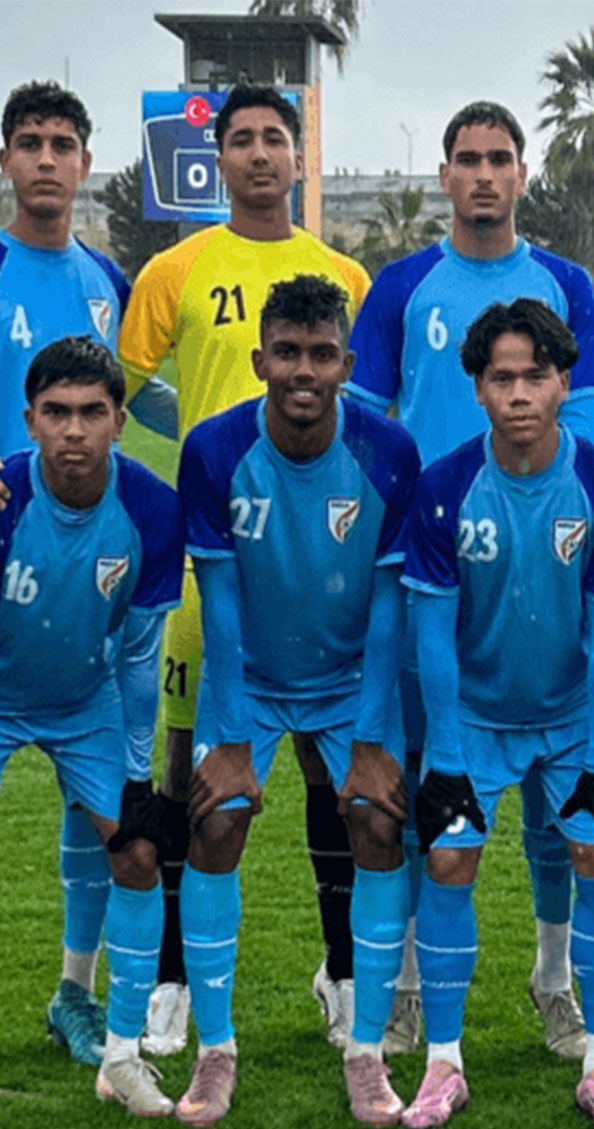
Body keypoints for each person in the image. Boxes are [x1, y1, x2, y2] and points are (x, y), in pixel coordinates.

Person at [118, 83, 372, 1057]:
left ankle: (342, 968)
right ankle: (174, 975)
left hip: (319, 567)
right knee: (190, 770)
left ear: (299, 159)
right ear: (214, 161)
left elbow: (363, 403)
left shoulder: (342, 275)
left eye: (277, 139)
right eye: (243, 141)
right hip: (208, 566)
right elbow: (117, 390)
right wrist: (183, 448)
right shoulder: (174, 271)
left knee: (330, 768)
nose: (261, 155)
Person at [0, 80, 151, 1081]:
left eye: (64, 144)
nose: (47, 159)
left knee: (97, 804)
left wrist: (246, 419)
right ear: (6, 161)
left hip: (93, 570)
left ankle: (75, 994)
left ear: (85, 164)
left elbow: (152, 399)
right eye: (30, 143)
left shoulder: (106, 279)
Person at [347, 100, 594, 1059]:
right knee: (432, 786)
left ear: (522, 173)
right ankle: (409, 983)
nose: (485, 175)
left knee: (558, 808)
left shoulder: (566, 282)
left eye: (501, 158)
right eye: (468, 159)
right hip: (436, 566)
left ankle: (554, 980)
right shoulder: (404, 285)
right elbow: (368, 424)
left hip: (550, 563)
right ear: (445, 177)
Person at [0, 336, 183, 1129]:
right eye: (57, 413)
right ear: (30, 419)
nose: (74, 431)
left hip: (87, 700)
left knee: (141, 851)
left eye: (93, 413)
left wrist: (131, 774)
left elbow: (140, 656)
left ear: (121, 421)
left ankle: (121, 1057)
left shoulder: (153, 508)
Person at [171, 276, 417, 1129]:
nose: (303, 371)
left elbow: (391, 609)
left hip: (352, 681)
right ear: (259, 360)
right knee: (216, 818)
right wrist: (231, 737)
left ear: (347, 363)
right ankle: (214, 1051)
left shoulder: (390, 451)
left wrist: (378, 737)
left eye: (321, 354)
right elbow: (222, 601)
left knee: (380, 824)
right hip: (252, 677)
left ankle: (367, 1052)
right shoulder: (211, 450)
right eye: (287, 353)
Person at [399, 299, 594, 1129]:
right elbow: (432, 635)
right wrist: (446, 752)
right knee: (448, 867)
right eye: (501, 378)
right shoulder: (443, 490)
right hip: (476, 716)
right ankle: (444, 1065)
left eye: (536, 376)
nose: (519, 394)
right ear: (477, 388)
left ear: (564, 384)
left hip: (575, 718)